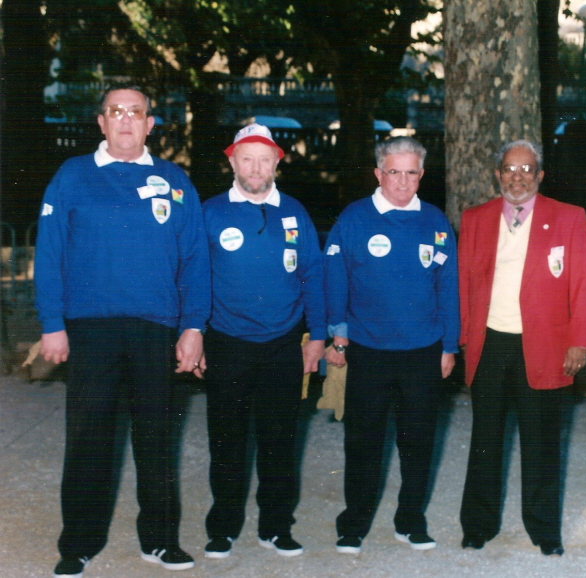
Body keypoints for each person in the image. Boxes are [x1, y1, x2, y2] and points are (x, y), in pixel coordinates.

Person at [35, 86, 211, 577]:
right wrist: (52, 324)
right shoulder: (72, 177)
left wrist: (193, 326)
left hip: (155, 329)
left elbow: (196, 260)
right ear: (101, 121)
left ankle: (159, 540)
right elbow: (48, 254)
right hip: (88, 329)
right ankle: (78, 544)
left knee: (156, 439)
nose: (127, 120)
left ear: (151, 124)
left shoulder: (175, 181)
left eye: (136, 112)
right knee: (89, 439)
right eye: (117, 112)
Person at [458, 140, 586, 556]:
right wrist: (464, 338)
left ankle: (544, 529)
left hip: (545, 345)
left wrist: (580, 342)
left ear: (539, 176)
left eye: (526, 169)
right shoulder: (476, 218)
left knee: (541, 442)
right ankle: (478, 525)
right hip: (490, 343)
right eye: (509, 169)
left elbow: (584, 285)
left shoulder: (569, 218)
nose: (517, 177)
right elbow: (465, 284)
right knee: (485, 440)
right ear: (498, 174)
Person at [324, 136, 460, 554]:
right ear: (379, 174)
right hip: (366, 348)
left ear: (422, 175)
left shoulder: (435, 222)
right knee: (363, 441)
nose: (403, 181)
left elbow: (448, 288)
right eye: (394, 172)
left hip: (423, 350)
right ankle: (354, 523)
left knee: (418, 442)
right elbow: (335, 275)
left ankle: (410, 519)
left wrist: (449, 345)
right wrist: (337, 330)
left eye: (412, 172)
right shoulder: (354, 218)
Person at [201, 123, 326, 559]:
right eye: (246, 158)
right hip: (227, 341)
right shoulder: (211, 212)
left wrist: (318, 336)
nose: (255, 168)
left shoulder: (295, 212)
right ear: (232, 161)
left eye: (264, 159)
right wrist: (193, 333)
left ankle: (276, 526)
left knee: (279, 440)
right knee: (227, 441)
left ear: (277, 163)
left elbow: (313, 276)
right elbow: (195, 279)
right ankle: (223, 526)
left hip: (283, 344)